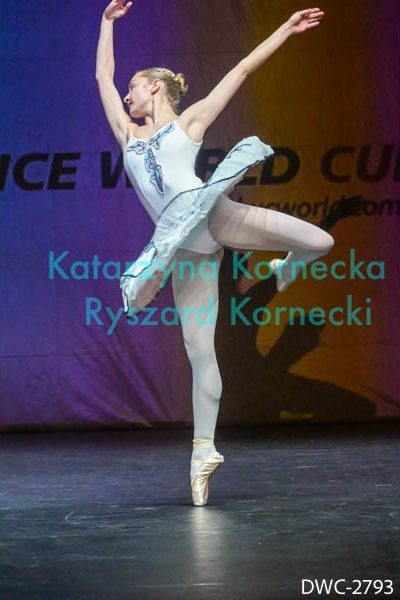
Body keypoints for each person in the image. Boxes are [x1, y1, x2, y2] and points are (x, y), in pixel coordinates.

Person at [96, 0, 334, 506]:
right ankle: (202, 452)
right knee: (200, 351)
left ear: (155, 87)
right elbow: (102, 76)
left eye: (133, 86)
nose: (126, 93)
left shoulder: (189, 123)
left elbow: (242, 69)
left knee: (321, 242)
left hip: (213, 214)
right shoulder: (127, 136)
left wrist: (286, 29)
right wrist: (106, 23)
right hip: (183, 250)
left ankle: (286, 267)